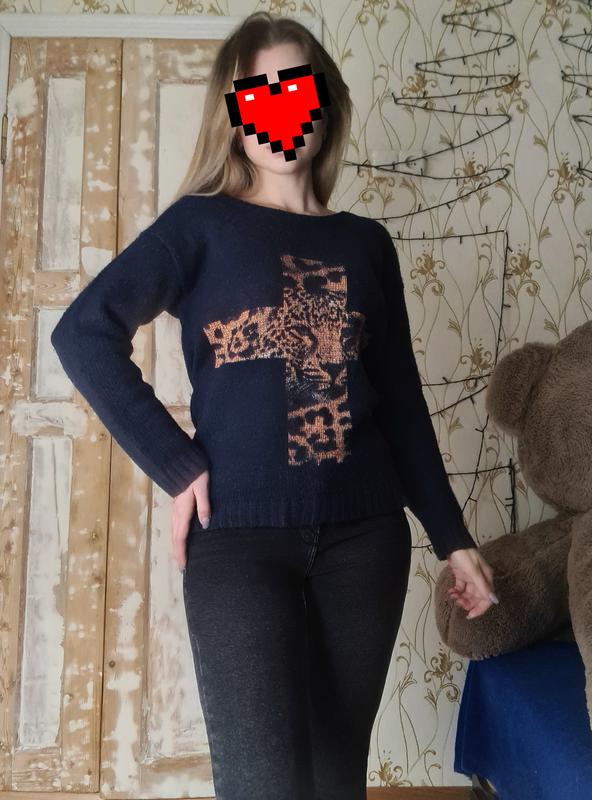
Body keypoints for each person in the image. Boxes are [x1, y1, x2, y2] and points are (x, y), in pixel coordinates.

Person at [50, 11, 496, 800]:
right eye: (259, 92)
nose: (281, 106)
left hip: (365, 541)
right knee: (263, 784)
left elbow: (400, 403)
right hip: (239, 542)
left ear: (323, 101)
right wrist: (177, 464)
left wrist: (452, 538)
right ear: (235, 112)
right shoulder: (199, 227)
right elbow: (84, 332)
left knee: (333, 780)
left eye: (296, 87)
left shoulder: (365, 244)